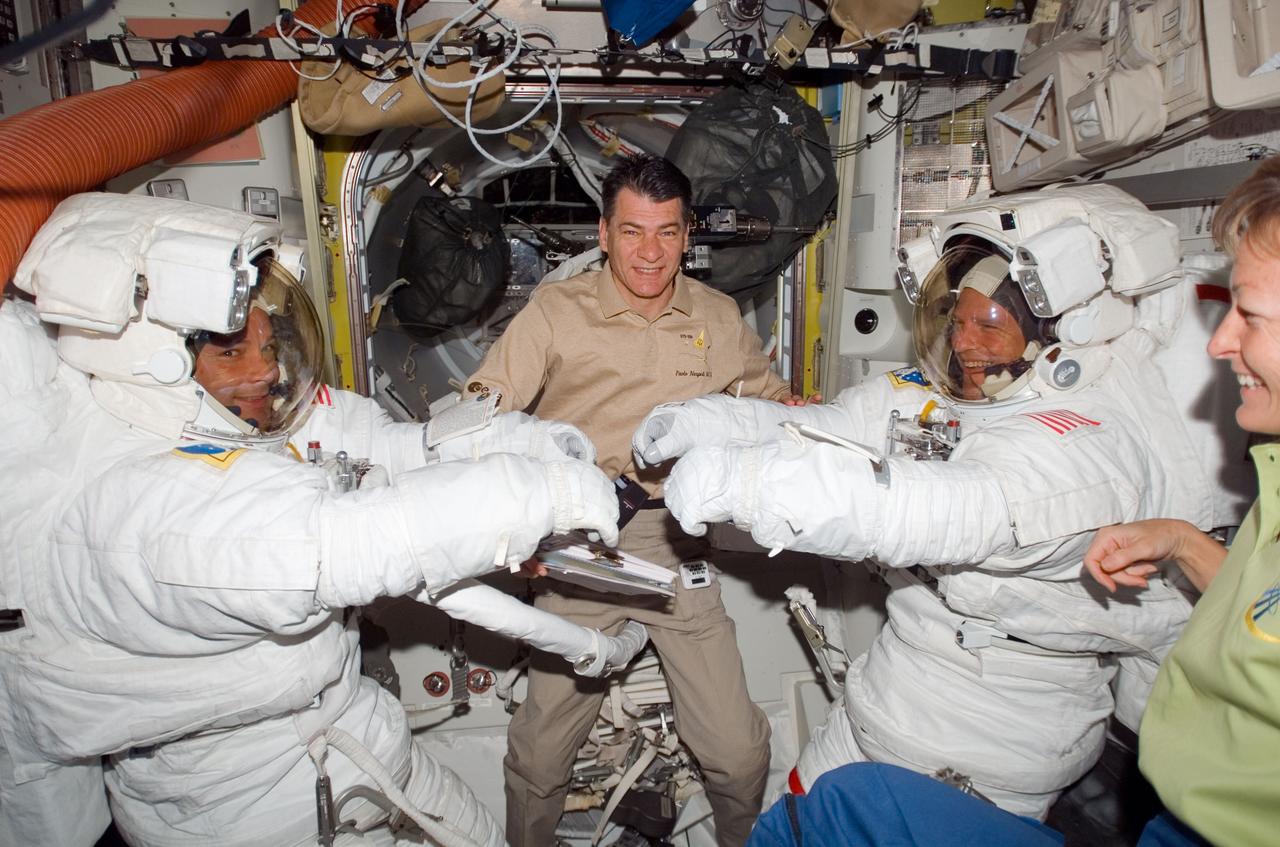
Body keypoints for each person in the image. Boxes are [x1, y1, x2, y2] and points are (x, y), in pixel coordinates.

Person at [0, 191, 632, 847]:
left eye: (266, 339)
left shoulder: (216, 421)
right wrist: (539, 493)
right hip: (263, 807)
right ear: (154, 366)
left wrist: (513, 442)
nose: (267, 367)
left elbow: (368, 449)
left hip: (351, 737)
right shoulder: (142, 511)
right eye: (233, 353)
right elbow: (341, 543)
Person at [634, 184, 1227, 820]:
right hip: (882, 703)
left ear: (1058, 329)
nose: (966, 342)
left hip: (980, 748)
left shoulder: (1085, 442)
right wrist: (709, 424)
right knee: (790, 829)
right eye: (958, 320)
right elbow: (836, 426)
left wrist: (755, 488)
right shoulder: (962, 397)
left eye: (989, 326)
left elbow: (945, 511)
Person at [462, 154, 791, 847]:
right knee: (539, 754)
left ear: (686, 234)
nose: (650, 252)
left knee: (737, 753)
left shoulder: (717, 316)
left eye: (667, 233)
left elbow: (773, 411)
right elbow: (482, 417)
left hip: (673, 545)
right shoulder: (558, 312)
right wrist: (509, 529)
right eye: (634, 231)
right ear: (605, 233)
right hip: (581, 550)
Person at [1079, 157, 1280, 847]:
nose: (1221, 341)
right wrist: (1182, 541)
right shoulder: (1276, 476)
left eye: (1249, 315)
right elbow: (1265, 613)